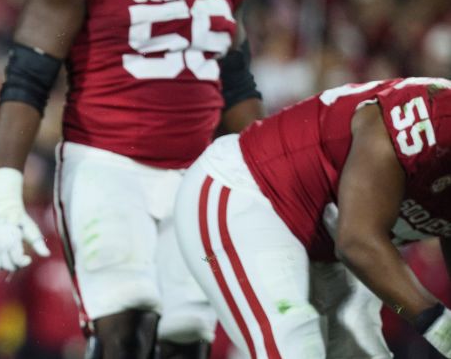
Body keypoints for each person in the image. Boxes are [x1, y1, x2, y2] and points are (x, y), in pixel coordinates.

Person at [0, 0, 265, 359]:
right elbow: (27, 80)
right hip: (108, 169)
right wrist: (5, 191)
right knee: (126, 333)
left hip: (196, 176)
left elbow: (236, 82)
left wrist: (266, 180)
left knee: (187, 341)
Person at [173, 78, 451, 358]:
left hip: (326, 246)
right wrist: (439, 326)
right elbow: (357, 242)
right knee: (293, 346)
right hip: (250, 195)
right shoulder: (428, 116)